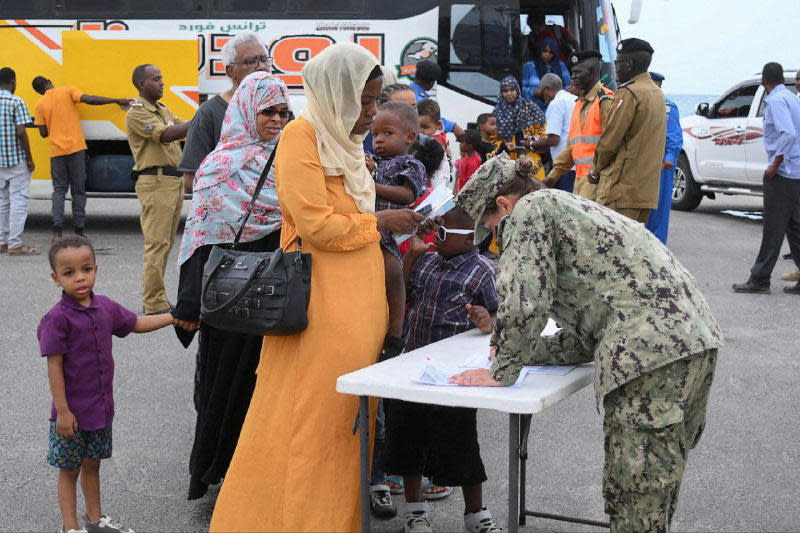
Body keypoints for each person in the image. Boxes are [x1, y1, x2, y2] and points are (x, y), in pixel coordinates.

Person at [209, 42, 423, 532]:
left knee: (352, 420)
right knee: (313, 416)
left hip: (361, 297)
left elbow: (349, 217)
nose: (370, 114)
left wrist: (380, 223)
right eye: (363, 101)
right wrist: (380, 221)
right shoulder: (301, 136)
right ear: (334, 93)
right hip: (318, 300)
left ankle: (339, 521)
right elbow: (315, 225)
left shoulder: (345, 141)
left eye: (374, 102)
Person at [450, 154, 724, 532]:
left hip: (648, 355)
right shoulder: (568, 207)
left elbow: (525, 300)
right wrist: (524, 352)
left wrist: (501, 370)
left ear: (503, 205)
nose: (496, 237)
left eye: (492, 227)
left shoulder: (528, 211)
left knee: (635, 496)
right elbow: (587, 336)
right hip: (691, 343)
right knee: (656, 487)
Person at [173, 72, 290, 500]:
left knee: (270, 389)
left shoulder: (290, 160)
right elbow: (198, 237)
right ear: (246, 111)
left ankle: (259, 476)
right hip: (231, 296)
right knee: (225, 385)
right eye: (268, 112)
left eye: (283, 111)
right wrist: (187, 306)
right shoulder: (219, 167)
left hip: (279, 295)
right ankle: (217, 472)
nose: (277, 120)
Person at [38, 236, 174, 533]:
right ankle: (70, 527)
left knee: (93, 463)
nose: (80, 277)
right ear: (55, 278)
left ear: (96, 269)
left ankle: (95, 519)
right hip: (71, 415)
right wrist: (62, 411)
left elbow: (136, 324)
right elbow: (54, 367)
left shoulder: (106, 308)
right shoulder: (56, 319)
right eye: (69, 273)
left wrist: (173, 318)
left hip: (100, 411)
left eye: (86, 269)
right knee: (69, 469)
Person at [384, 206, 501, 533]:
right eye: (434, 230)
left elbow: (495, 315)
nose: (435, 238)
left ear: (467, 240)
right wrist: (410, 258)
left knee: (461, 441)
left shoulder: (480, 271)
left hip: (453, 376)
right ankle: (414, 510)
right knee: (407, 438)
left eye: (442, 234)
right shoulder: (428, 261)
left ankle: (476, 514)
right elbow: (402, 295)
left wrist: (485, 320)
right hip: (415, 366)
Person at [31, 76, 133, 242]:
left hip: (57, 152)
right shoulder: (67, 90)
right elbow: (90, 99)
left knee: (59, 191)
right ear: (50, 81)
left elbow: (43, 133)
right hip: (76, 149)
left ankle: (57, 233)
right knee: (78, 190)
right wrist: (116, 100)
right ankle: (78, 231)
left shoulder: (40, 104)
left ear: (38, 91)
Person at [125, 64, 191, 315]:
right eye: (156, 79)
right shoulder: (138, 113)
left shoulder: (162, 109)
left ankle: (159, 298)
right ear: (142, 84)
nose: (162, 82)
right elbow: (167, 135)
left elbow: (184, 127)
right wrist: (203, 116)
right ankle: (153, 302)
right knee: (157, 243)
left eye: (162, 77)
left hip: (171, 181)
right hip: (156, 182)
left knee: (165, 243)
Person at [733, 62, 800, 295]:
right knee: (795, 227)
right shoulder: (793, 98)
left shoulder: (774, 101)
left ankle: (760, 278)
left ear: (764, 80)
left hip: (782, 173)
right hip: (796, 173)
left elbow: (789, 134)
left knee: (773, 228)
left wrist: (775, 164)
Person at [178, 32, 270, 193]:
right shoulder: (209, 112)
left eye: (264, 59)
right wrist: (238, 197)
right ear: (230, 71)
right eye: (251, 61)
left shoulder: (280, 109)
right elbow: (190, 181)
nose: (261, 66)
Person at [589, 38, 666, 223]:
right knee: (633, 248)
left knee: (610, 247)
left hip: (621, 189)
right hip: (644, 191)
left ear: (629, 64)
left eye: (618, 62)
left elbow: (610, 140)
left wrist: (595, 170)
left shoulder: (629, 93)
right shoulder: (656, 93)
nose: (615, 67)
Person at [371, 101, 427, 356]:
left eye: (387, 133)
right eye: (374, 134)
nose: (379, 140)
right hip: (369, 227)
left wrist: (370, 186)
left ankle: (395, 335)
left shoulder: (410, 164)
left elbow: (406, 194)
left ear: (410, 137)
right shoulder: (372, 162)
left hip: (391, 235)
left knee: (394, 276)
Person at [545, 50, 614, 199]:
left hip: (599, 184)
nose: (573, 77)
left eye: (578, 72)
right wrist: (551, 177)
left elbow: (612, 146)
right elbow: (572, 147)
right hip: (580, 181)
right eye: (572, 72)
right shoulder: (579, 103)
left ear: (593, 72)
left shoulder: (605, 101)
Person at [0, 66, 37, 256]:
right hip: (16, 161)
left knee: (2, 201)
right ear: (13, 82)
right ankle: (14, 244)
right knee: (18, 201)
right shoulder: (16, 101)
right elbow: (21, 132)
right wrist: (30, 158)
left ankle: (1, 241)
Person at [645, 72, 683, 244]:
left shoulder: (667, 106)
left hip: (662, 163)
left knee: (659, 206)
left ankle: (657, 242)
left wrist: (669, 157)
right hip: (646, 161)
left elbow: (674, 136)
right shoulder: (645, 103)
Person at [527, 73, 576, 192]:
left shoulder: (556, 103)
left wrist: (531, 144)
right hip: (579, 163)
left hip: (564, 167)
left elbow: (554, 139)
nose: (541, 95)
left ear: (548, 89)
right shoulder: (573, 99)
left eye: (542, 91)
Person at [492, 75, 546, 180]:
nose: (509, 93)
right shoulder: (497, 111)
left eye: (512, 90)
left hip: (530, 156)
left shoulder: (529, 106)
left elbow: (543, 132)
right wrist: (504, 144)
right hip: (508, 159)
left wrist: (531, 142)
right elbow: (493, 137)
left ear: (517, 89)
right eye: (505, 91)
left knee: (534, 189)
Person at [409, 60, 463, 138]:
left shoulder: (409, 91)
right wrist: (453, 127)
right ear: (431, 82)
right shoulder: (417, 98)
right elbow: (431, 117)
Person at [364, 82, 417, 156]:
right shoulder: (365, 143)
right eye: (400, 107)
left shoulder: (426, 144)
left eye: (414, 107)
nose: (410, 112)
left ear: (410, 137)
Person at [521, 37, 571, 106]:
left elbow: (568, 87)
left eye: (550, 52)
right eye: (545, 51)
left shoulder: (561, 66)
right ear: (540, 50)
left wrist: (556, 93)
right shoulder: (529, 66)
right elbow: (522, 90)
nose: (547, 54)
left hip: (557, 106)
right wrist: (534, 91)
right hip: (535, 109)